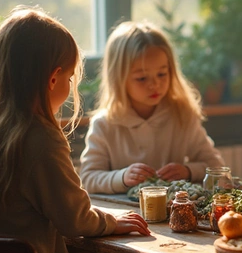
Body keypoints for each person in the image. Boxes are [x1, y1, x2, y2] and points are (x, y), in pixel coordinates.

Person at [0, 7, 150, 253]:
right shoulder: (42, 139)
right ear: (53, 79)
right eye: (70, 78)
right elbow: (74, 220)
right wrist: (114, 222)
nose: (71, 85)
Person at [79, 21, 225, 193]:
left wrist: (188, 171)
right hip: (125, 216)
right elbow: (88, 178)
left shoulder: (182, 116)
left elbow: (216, 166)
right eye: (142, 78)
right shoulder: (104, 124)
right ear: (118, 79)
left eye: (162, 74)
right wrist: (122, 177)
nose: (155, 84)